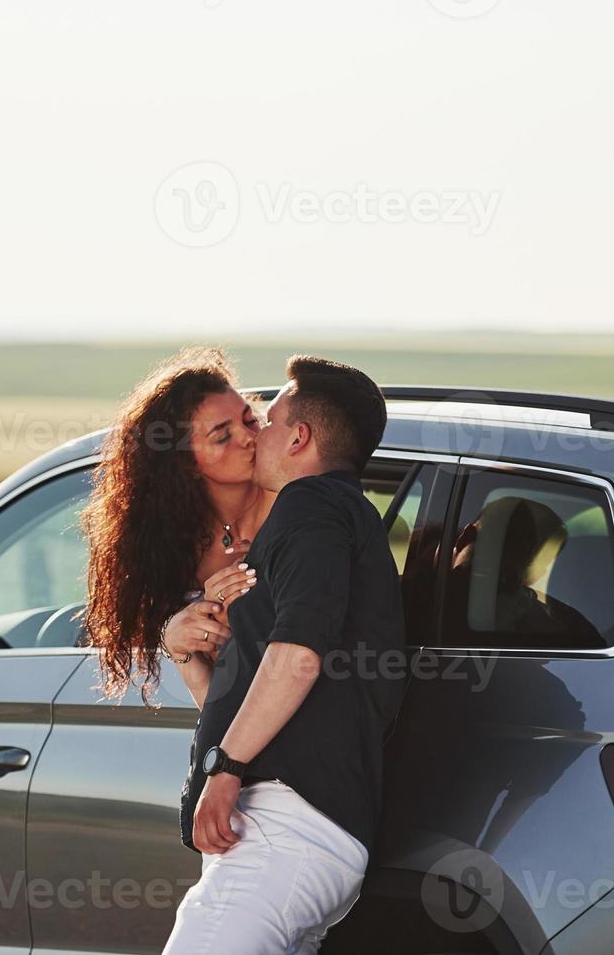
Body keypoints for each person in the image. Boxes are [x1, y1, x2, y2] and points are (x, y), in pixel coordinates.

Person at [161, 355, 407, 955]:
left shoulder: (311, 505)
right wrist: (182, 650)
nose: (255, 435)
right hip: (300, 833)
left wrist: (223, 769)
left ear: (299, 436)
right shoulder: (339, 517)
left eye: (267, 422)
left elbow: (298, 657)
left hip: (286, 828)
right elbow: (250, 695)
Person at [81, 345, 271, 706]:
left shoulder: (292, 507)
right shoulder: (166, 542)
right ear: (187, 463)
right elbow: (214, 703)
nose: (250, 436)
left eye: (249, 419)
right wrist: (178, 642)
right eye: (222, 435)